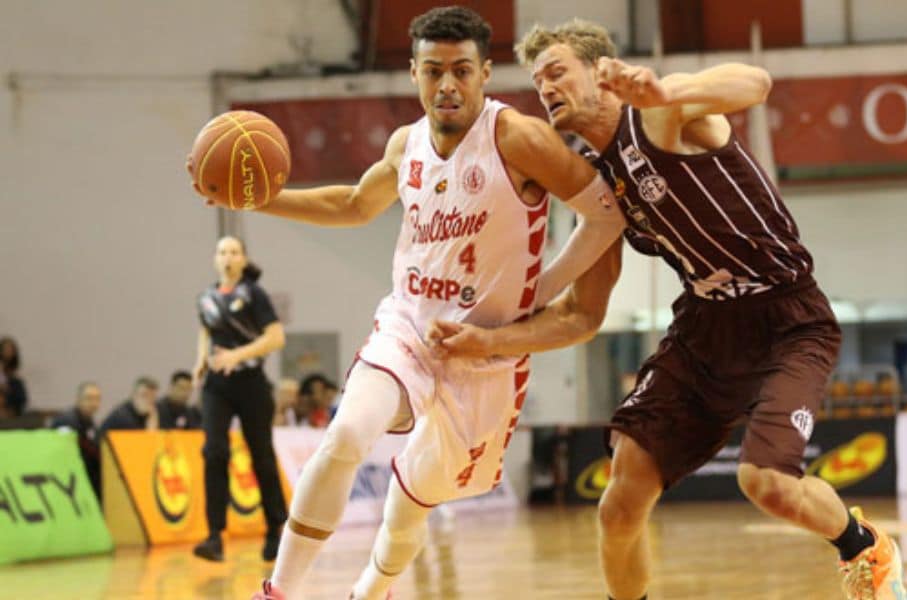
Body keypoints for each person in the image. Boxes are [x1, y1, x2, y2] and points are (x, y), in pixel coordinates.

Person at [430, 19, 906, 600]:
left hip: (788, 318)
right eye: (537, 80)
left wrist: (666, 91)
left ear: (600, 74)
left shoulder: (658, 111)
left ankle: (863, 547)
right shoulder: (596, 177)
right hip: (706, 328)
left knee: (766, 483)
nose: (546, 87)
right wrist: (506, 317)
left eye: (557, 72)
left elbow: (754, 82)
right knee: (620, 502)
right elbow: (581, 264)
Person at [187, 7, 623, 598]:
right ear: (415, 74)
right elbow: (353, 205)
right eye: (434, 71)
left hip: (486, 359)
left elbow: (604, 212)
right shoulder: (406, 143)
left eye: (462, 71)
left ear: (485, 74)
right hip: (408, 328)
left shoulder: (518, 139)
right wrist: (260, 200)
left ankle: (373, 588)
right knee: (346, 435)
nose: (448, 85)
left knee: (414, 500)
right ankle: (280, 590)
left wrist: (540, 288)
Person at [191, 236, 289, 563]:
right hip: (217, 385)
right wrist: (201, 360)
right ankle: (214, 535)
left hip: (251, 383)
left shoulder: (254, 294)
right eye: (222, 252)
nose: (227, 257)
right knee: (214, 451)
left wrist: (238, 355)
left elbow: (276, 337)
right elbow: (206, 330)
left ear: (244, 260)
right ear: (214, 259)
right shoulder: (205, 298)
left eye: (234, 252)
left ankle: (275, 528)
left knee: (261, 455)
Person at [52, 381, 103, 499]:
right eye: (89, 398)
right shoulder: (67, 421)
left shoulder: (89, 421)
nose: (94, 403)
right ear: (78, 399)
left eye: (97, 399)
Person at [0, 336, 29, 417]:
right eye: (6, 349)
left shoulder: (15, 378)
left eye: (11, 349)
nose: (9, 352)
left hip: (10, 400)